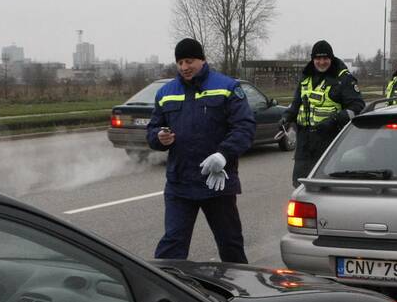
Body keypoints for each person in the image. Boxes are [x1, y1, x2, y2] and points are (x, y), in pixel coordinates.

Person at [146, 38, 256, 262]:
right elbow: (152, 131)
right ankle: (167, 290)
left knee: (230, 245)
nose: (184, 67)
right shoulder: (166, 92)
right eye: (180, 62)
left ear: (202, 60)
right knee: (172, 246)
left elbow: (244, 127)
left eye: (189, 61)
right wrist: (159, 137)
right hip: (180, 185)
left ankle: (240, 291)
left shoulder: (227, 88)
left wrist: (223, 155)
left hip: (217, 183)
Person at [282, 40, 364, 186]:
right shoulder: (305, 77)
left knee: (326, 186)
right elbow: (296, 103)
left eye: (325, 58)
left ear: (331, 59)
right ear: (313, 59)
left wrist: (334, 120)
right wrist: (286, 117)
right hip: (304, 144)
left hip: (330, 142)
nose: (321, 62)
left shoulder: (343, 78)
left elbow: (358, 107)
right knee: (300, 185)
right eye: (317, 59)